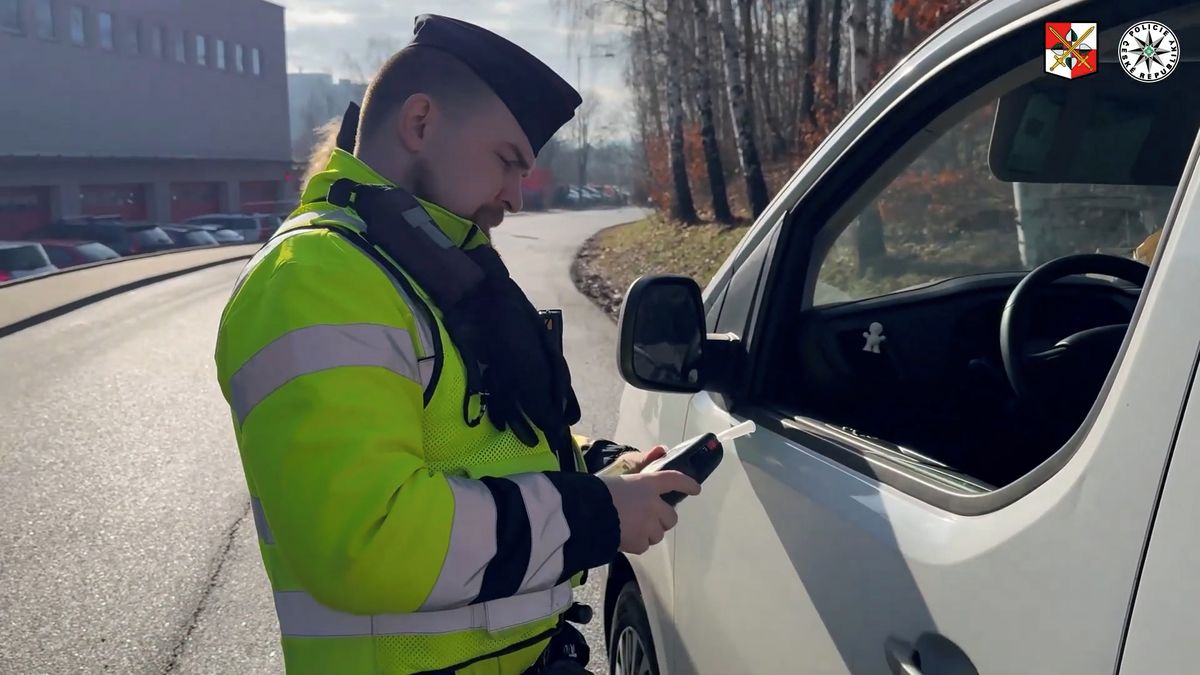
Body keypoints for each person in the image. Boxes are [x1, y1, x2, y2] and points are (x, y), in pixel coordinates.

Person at [213, 14, 700, 675]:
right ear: (420, 123)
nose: (516, 197)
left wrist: (597, 462)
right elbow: (370, 538)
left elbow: (473, 440)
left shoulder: (411, 262)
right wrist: (599, 512)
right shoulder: (315, 278)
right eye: (508, 161)